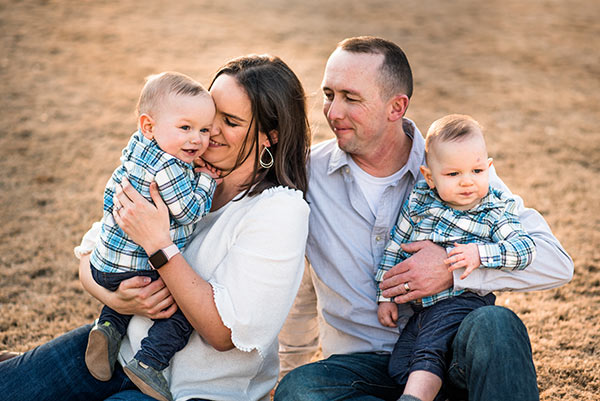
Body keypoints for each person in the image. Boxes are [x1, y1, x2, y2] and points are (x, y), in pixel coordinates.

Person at [275, 36, 573, 401]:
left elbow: (557, 263)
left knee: (496, 324)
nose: (333, 112)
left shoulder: (456, 170)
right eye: (328, 94)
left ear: (396, 107)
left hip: (450, 353)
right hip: (363, 369)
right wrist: (287, 368)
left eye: (350, 98)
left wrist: (453, 269)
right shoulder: (307, 175)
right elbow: (298, 282)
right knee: (302, 390)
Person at [0, 54, 311, 401]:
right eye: (209, 116)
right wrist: (115, 298)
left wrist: (159, 244)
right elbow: (92, 249)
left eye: (231, 122)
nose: (209, 133)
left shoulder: (279, 210)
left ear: (271, 136)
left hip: (189, 392)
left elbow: (223, 332)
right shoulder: (179, 165)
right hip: (117, 353)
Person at [376, 114, 536, 401]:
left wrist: (480, 254)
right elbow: (395, 247)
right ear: (429, 176)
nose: (467, 182)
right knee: (401, 367)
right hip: (423, 311)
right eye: (453, 174)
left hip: (465, 302)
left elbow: (524, 248)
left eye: (476, 171)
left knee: (428, 351)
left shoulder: (493, 210)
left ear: (488, 167)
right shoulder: (418, 204)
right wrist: (385, 296)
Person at [84, 71, 219, 401]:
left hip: (106, 262)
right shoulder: (170, 167)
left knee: (126, 283)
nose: (197, 140)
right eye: (185, 128)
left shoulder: (137, 148)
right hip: (139, 266)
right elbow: (188, 211)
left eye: (204, 130)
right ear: (149, 125)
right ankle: (149, 363)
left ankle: (108, 327)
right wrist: (206, 181)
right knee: (186, 311)